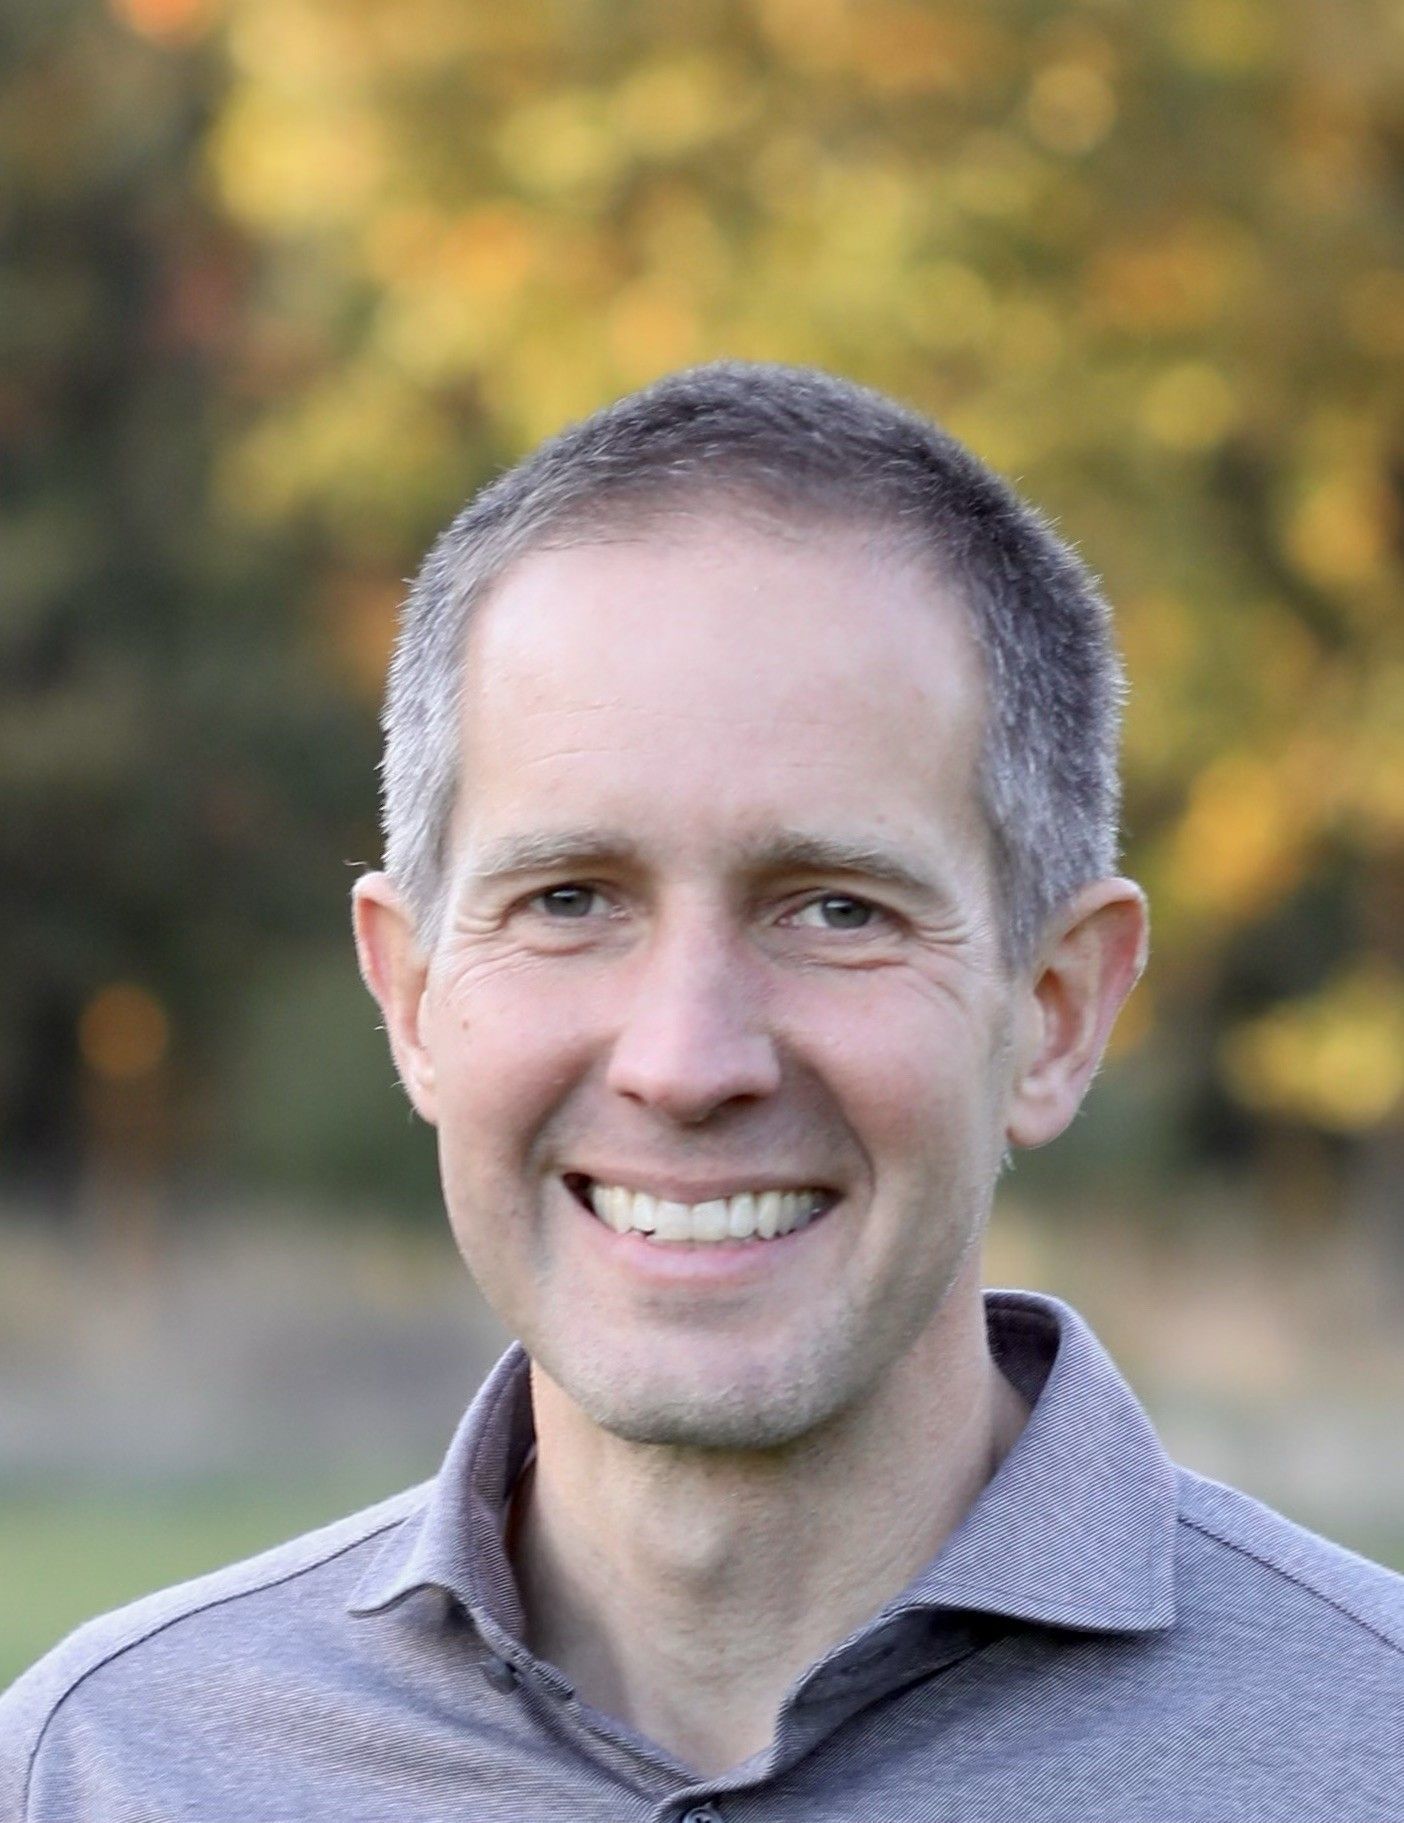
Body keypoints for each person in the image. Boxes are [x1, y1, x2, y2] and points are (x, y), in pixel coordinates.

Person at [1, 363, 1399, 1823]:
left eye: (838, 909)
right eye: (568, 899)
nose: (683, 1062)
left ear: (1054, 1013)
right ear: (413, 1000)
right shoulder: (108, 1771)